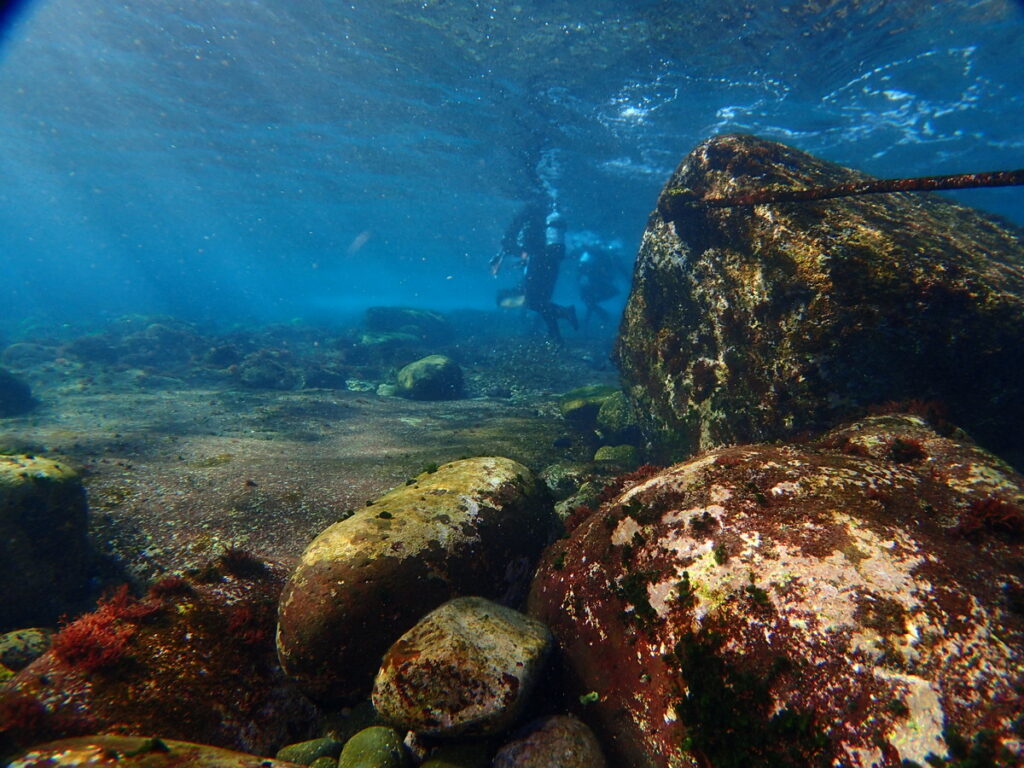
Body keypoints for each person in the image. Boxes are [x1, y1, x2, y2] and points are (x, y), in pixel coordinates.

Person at [491, 191, 577, 341]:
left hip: (537, 259)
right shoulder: (547, 216)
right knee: (542, 300)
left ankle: (566, 313)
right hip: (552, 261)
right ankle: (556, 336)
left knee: (532, 301)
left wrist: (508, 254)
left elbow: (509, 242)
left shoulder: (527, 214)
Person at [576, 244, 630, 327]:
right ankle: (591, 318)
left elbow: (623, 271)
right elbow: (587, 270)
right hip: (591, 281)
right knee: (589, 300)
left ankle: (590, 319)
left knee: (590, 300)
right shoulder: (601, 256)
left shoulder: (607, 257)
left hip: (593, 281)